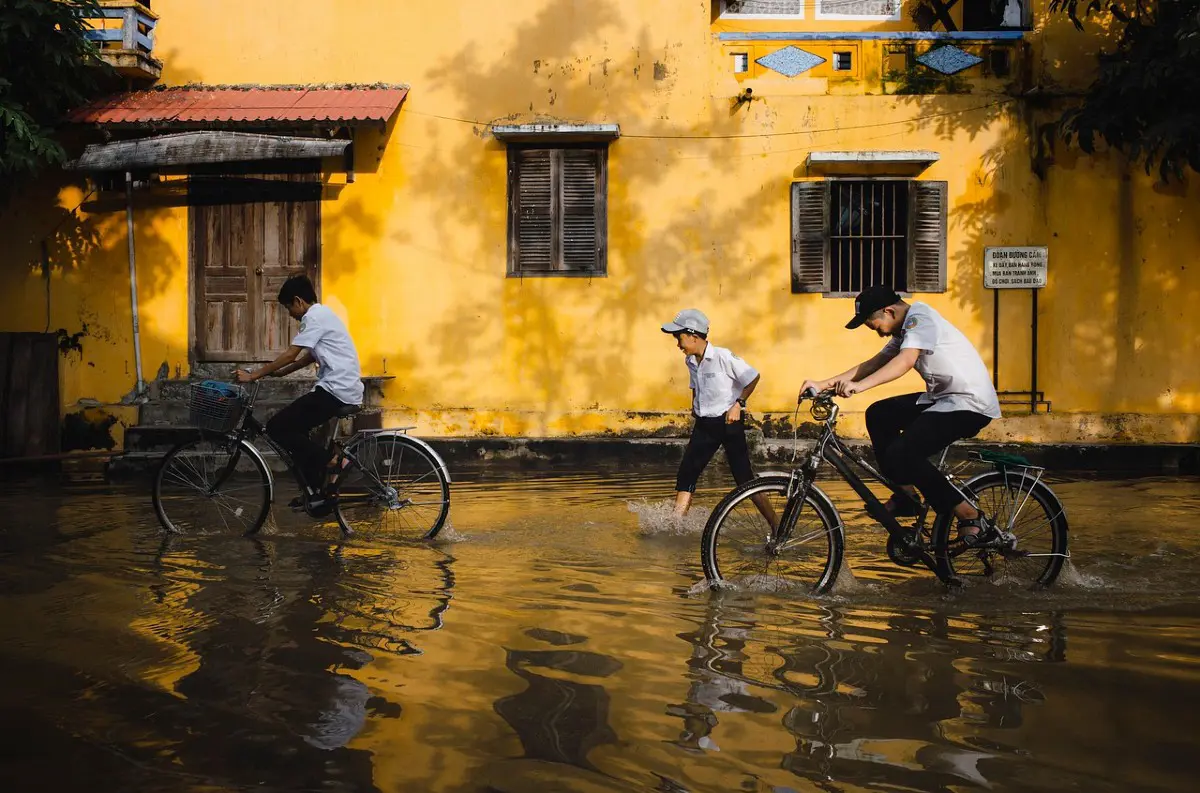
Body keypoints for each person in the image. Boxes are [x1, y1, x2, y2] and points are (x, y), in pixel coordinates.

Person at [799, 285, 1002, 546]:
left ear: (889, 311)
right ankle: (906, 495)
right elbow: (874, 364)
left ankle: (968, 514)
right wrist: (824, 384)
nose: (878, 333)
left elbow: (905, 361)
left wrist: (860, 387)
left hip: (969, 404)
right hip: (943, 399)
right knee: (879, 414)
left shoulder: (920, 319)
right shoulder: (905, 328)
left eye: (874, 326)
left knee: (903, 453)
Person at [235, 275, 364, 515]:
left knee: (277, 427)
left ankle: (335, 461)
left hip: (336, 389)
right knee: (299, 432)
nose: (291, 314)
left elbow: (291, 354)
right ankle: (315, 491)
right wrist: (281, 373)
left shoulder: (313, 317)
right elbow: (308, 357)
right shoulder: (324, 314)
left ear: (298, 301)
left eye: (289, 308)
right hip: (341, 387)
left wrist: (255, 375)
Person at [661, 309, 766, 519]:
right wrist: (695, 405)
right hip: (704, 425)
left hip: (728, 423)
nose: (678, 344)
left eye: (679, 338)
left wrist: (739, 404)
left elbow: (752, 377)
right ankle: (675, 525)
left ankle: (777, 525)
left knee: (744, 479)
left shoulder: (723, 356)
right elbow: (695, 385)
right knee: (687, 473)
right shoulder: (690, 361)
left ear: (694, 336)